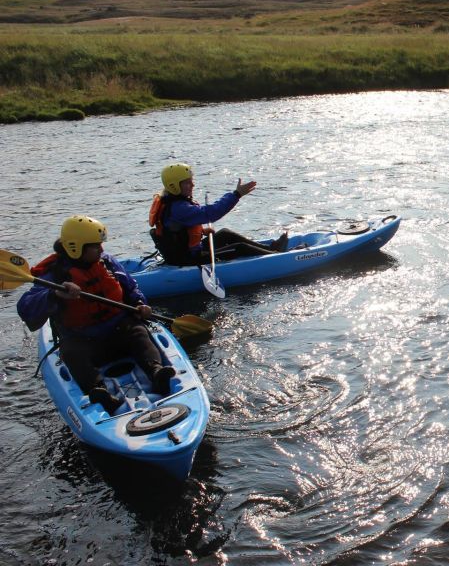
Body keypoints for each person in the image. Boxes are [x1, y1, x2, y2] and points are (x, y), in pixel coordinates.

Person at [17, 215, 176, 414]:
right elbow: (25, 307)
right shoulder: (54, 275)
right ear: (76, 247)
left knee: (138, 332)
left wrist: (139, 303)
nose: (102, 250)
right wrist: (55, 294)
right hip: (84, 340)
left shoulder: (107, 262)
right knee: (71, 351)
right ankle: (98, 390)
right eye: (95, 246)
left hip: (118, 332)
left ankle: (156, 372)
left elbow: (130, 286)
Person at [148, 163, 288, 266]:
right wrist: (236, 194)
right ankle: (278, 258)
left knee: (225, 234)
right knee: (239, 248)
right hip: (187, 259)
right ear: (174, 186)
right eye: (187, 183)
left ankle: (271, 249)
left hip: (185, 251)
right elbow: (212, 213)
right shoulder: (179, 208)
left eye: (192, 181)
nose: (193, 185)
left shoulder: (172, 202)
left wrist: (201, 231)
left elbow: (175, 229)